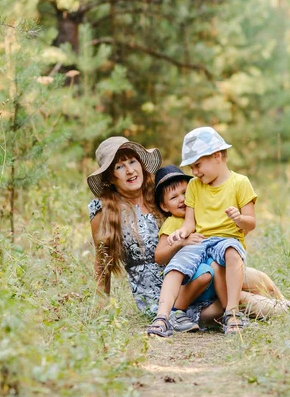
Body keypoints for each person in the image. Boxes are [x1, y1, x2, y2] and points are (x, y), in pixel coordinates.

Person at [88, 137, 222, 331]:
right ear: (110, 177)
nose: (130, 170)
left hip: (191, 274)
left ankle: (280, 303)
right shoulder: (103, 210)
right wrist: (100, 312)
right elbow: (103, 263)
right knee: (239, 299)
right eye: (119, 166)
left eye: (133, 162)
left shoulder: (160, 195)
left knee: (236, 277)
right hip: (157, 298)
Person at [159, 127, 256, 335]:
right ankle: (164, 316)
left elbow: (251, 223)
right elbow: (189, 223)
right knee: (178, 262)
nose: (194, 172)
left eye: (197, 165)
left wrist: (239, 219)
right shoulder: (194, 186)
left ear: (217, 156)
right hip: (202, 241)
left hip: (227, 240)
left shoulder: (240, 183)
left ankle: (232, 312)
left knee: (232, 251)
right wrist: (181, 234)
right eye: (192, 167)